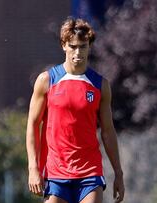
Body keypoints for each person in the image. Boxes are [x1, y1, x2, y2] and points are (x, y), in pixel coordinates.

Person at [26, 17, 125, 203]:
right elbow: (33, 125)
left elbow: (108, 132)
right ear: (64, 45)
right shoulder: (46, 81)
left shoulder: (100, 85)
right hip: (56, 171)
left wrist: (118, 173)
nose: (78, 52)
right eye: (73, 46)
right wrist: (33, 168)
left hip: (90, 172)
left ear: (89, 47)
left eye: (83, 46)